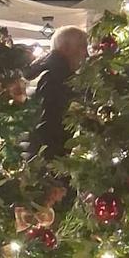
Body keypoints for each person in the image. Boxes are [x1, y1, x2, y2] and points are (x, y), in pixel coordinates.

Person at [25, 25, 88, 160]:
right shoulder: (56, 78)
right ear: (65, 48)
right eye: (82, 47)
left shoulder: (41, 71)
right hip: (48, 157)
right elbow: (50, 124)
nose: (85, 54)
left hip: (34, 153)